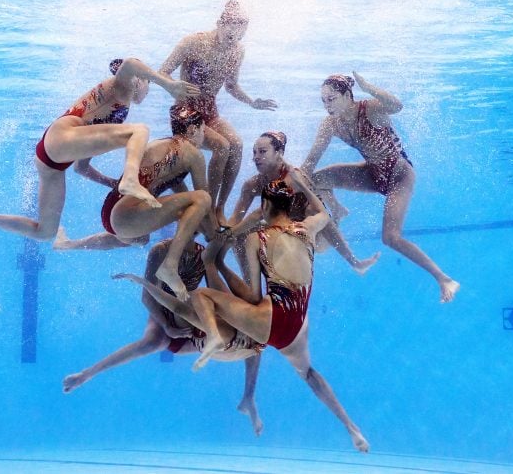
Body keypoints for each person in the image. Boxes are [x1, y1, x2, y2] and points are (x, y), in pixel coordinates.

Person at [132, 175, 369, 452]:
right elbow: (323, 213)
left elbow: (252, 297)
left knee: (202, 297)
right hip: (296, 327)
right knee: (308, 374)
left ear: (266, 206)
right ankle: (351, 428)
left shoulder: (259, 238)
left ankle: (213, 338)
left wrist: (218, 264)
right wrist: (303, 184)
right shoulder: (308, 230)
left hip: (270, 321)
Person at [0, 58, 198, 241]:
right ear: (138, 82)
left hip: (52, 163)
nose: (148, 90)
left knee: (45, 232)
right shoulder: (120, 89)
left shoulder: (115, 117)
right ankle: (131, 181)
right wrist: (169, 85)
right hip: (60, 138)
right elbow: (130, 63)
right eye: (148, 85)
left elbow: (81, 167)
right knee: (140, 131)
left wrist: (111, 182)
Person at [63, 237, 266, 435]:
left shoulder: (202, 252)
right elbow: (147, 297)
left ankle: (249, 396)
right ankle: (86, 374)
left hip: (190, 312)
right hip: (163, 311)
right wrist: (166, 326)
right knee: (152, 342)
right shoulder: (160, 250)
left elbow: (213, 294)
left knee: (250, 333)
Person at [301, 72, 459, 303]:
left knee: (391, 237)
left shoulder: (370, 109)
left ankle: (443, 278)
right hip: (372, 173)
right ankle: (338, 211)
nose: (327, 106)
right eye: (323, 100)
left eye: (332, 99)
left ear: (347, 95)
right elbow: (310, 162)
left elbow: (397, 105)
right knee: (314, 179)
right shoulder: (330, 124)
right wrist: (286, 180)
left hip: (400, 176)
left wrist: (368, 86)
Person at [57, 104, 218, 299]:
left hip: (112, 210)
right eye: (203, 130)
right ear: (193, 129)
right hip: (125, 215)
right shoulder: (192, 153)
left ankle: (68, 244)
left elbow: (182, 203)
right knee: (203, 198)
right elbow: (203, 202)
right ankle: (170, 265)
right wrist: (215, 235)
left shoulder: (164, 145)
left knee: (142, 238)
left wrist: (203, 226)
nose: (204, 136)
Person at [159, 0, 277, 217]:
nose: (234, 34)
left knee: (237, 145)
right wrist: (172, 87)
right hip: (185, 111)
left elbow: (231, 86)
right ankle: (206, 207)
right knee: (222, 146)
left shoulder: (237, 52)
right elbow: (163, 72)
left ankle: (219, 207)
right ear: (219, 23)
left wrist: (252, 102)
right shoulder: (193, 42)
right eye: (230, 27)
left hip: (209, 110)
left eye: (240, 29)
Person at [227, 131, 379, 274]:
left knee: (310, 211)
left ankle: (336, 212)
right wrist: (222, 233)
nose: (256, 157)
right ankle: (250, 292)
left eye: (262, 151)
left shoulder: (292, 178)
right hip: (285, 231)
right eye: (254, 152)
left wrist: (354, 262)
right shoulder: (252, 185)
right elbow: (235, 220)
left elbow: (322, 220)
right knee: (241, 235)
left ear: (278, 154)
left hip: (315, 237)